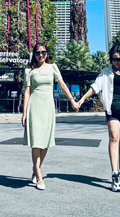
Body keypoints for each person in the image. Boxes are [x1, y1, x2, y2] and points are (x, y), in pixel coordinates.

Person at [75, 45, 120, 193]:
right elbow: (95, 87)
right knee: (114, 137)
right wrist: (82, 99)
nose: (116, 62)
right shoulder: (106, 72)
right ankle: (114, 174)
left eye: (118, 59)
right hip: (112, 108)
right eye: (113, 59)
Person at [21, 43, 78, 191]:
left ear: (47, 54)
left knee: (45, 142)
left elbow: (63, 85)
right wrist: (24, 112)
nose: (41, 55)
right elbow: (27, 92)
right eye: (38, 53)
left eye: (44, 52)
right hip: (34, 106)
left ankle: (35, 168)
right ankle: (39, 176)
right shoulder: (29, 71)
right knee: (36, 142)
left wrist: (72, 100)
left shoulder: (53, 68)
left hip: (48, 107)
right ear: (34, 54)